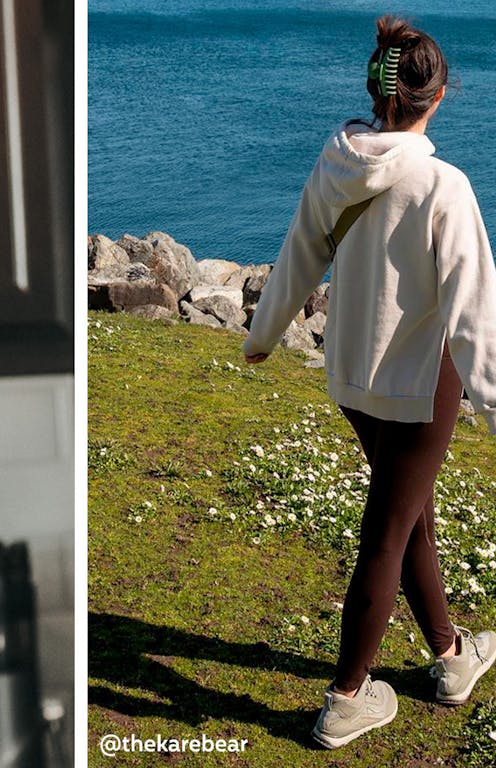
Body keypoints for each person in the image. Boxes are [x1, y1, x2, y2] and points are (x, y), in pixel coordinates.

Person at [243, 15, 496, 750]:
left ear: (376, 90)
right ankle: (348, 697)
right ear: (439, 97)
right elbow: (476, 316)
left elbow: (299, 251)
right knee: (387, 532)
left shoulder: (337, 161)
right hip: (419, 382)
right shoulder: (443, 185)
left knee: (408, 513)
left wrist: (264, 335)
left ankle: (450, 657)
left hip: (353, 377)